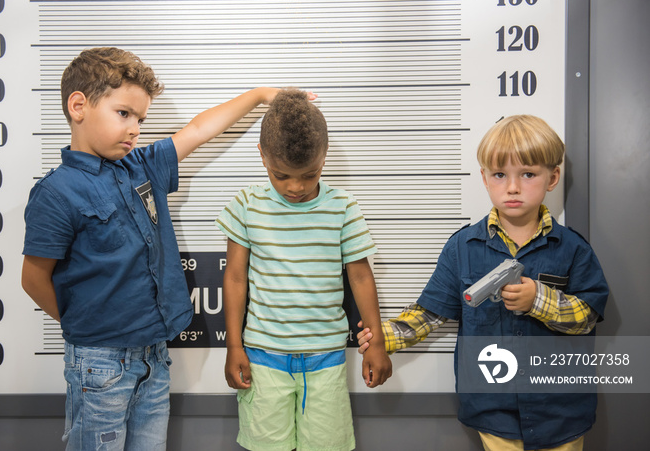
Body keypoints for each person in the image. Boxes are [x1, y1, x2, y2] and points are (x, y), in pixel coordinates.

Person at [21, 46, 282, 451]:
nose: (135, 128)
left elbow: (197, 130)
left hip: (155, 357)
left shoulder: (142, 166)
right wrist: (85, 326)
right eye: (124, 113)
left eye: (140, 119)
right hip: (99, 364)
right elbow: (33, 278)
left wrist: (260, 95)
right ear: (78, 106)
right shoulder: (56, 192)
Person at [358, 115, 609, 451]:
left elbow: (588, 316)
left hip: (561, 411)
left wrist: (538, 300)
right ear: (484, 178)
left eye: (528, 174)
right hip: (493, 412)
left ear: (553, 177)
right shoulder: (462, 247)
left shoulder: (573, 248)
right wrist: (379, 336)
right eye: (500, 175)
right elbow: (429, 315)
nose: (513, 187)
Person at [216, 88, 392, 451]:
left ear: (324, 158)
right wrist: (234, 345)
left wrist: (377, 342)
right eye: (281, 176)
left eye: (308, 175)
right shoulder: (246, 205)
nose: (295, 187)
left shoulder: (343, 207)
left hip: (325, 357)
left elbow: (360, 276)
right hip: (263, 356)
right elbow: (234, 278)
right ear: (262, 155)